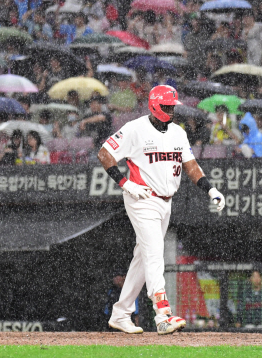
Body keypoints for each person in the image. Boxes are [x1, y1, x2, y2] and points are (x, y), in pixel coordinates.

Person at [97, 85, 225, 335]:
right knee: (155, 253)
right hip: (141, 198)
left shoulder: (177, 132)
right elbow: (104, 153)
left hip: (166, 201)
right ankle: (163, 314)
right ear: (155, 105)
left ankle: (121, 313)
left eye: (172, 106)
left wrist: (210, 189)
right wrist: (125, 183)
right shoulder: (135, 128)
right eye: (166, 106)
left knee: (143, 259)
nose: (171, 110)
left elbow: (191, 165)